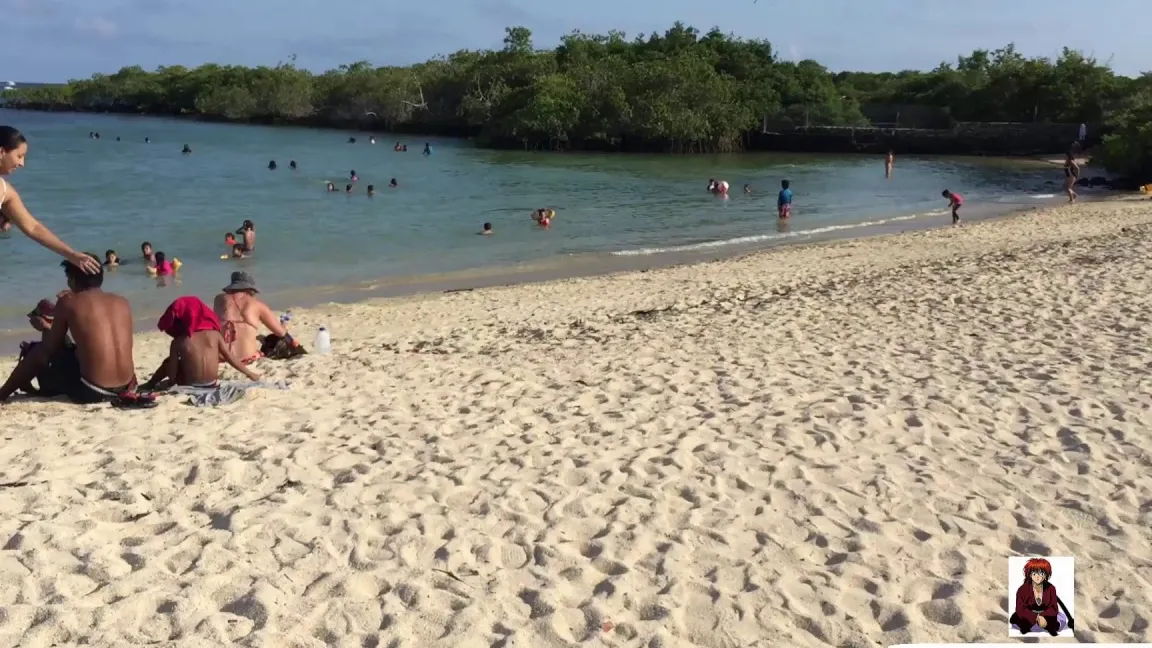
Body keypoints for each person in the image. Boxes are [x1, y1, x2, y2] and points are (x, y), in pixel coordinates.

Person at [0, 255, 138, 404]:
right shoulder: (122, 302)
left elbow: (49, 348)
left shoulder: (68, 302)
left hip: (94, 391)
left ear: (72, 279)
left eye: (68, 277)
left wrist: (44, 328)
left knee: (37, 351)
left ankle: (2, 393)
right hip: (129, 387)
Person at [0, 126, 101, 274]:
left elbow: (33, 227)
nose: (22, 163)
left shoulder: (5, 191)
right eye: (19, 156)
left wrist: (71, 254)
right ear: (2, 152)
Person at [142, 296, 260, 391]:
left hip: (191, 384)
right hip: (212, 383)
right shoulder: (215, 335)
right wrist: (250, 373)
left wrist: (171, 381)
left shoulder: (179, 341)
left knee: (168, 363)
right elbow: (230, 358)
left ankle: (150, 384)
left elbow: (172, 375)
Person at [213, 271, 291, 365]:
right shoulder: (257, 305)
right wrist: (284, 325)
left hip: (221, 358)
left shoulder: (218, 300)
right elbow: (280, 333)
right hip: (247, 359)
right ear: (251, 289)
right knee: (278, 339)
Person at [1010, 558, 1071, 636]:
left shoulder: (1051, 588)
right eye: (1034, 574)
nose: (1038, 577)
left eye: (1041, 573)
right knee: (1018, 619)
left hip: (1046, 615)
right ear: (1029, 574)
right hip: (1028, 615)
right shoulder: (1022, 589)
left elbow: (1054, 608)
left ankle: (1045, 626)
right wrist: (1036, 617)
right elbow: (1020, 608)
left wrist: (1042, 616)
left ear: (1046, 575)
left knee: (1060, 619)